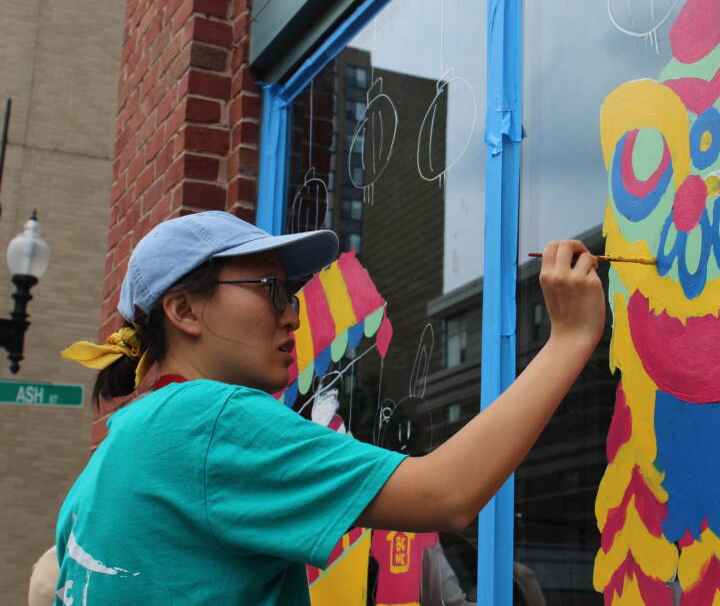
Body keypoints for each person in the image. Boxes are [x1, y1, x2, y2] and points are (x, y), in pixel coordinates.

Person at [53, 211, 605, 604]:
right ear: (183, 310)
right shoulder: (213, 417)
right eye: (272, 289)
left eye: (291, 294)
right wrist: (570, 338)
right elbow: (445, 495)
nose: (293, 315)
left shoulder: (113, 452)